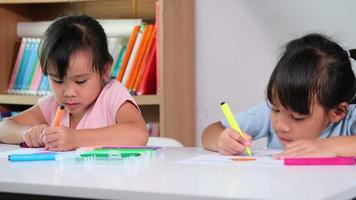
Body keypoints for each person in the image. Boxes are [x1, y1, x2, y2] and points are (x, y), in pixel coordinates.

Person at [0, 15, 148, 151]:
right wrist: (26, 133)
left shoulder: (112, 95)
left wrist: (75, 138)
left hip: (105, 179)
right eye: (58, 80)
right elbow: (4, 128)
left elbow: (138, 133)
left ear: (104, 70)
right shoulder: (52, 105)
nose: (69, 92)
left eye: (80, 81)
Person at [202, 33, 356, 158]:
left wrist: (330, 146)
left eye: (297, 117)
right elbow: (210, 132)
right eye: (276, 109)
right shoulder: (268, 113)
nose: (280, 125)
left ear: (337, 112)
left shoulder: (350, 120)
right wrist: (223, 140)